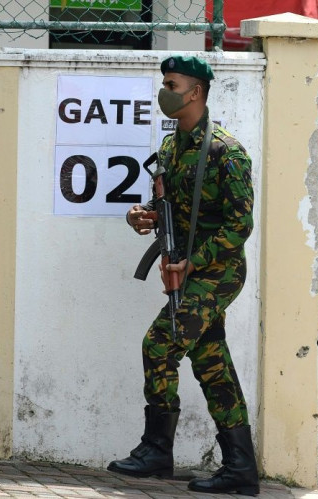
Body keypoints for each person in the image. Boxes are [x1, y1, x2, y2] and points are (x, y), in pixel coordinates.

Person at [108, 55, 259, 496]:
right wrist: (145, 215)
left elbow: (240, 225)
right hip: (187, 269)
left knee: (160, 343)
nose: (164, 91)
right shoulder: (173, 147)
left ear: (194, 92)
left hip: (219, 272)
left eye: (172, 84)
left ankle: (157, 451)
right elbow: (171, 208)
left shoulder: (226, 151)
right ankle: (240, 469)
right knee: (213, 364)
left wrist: (196, 260)